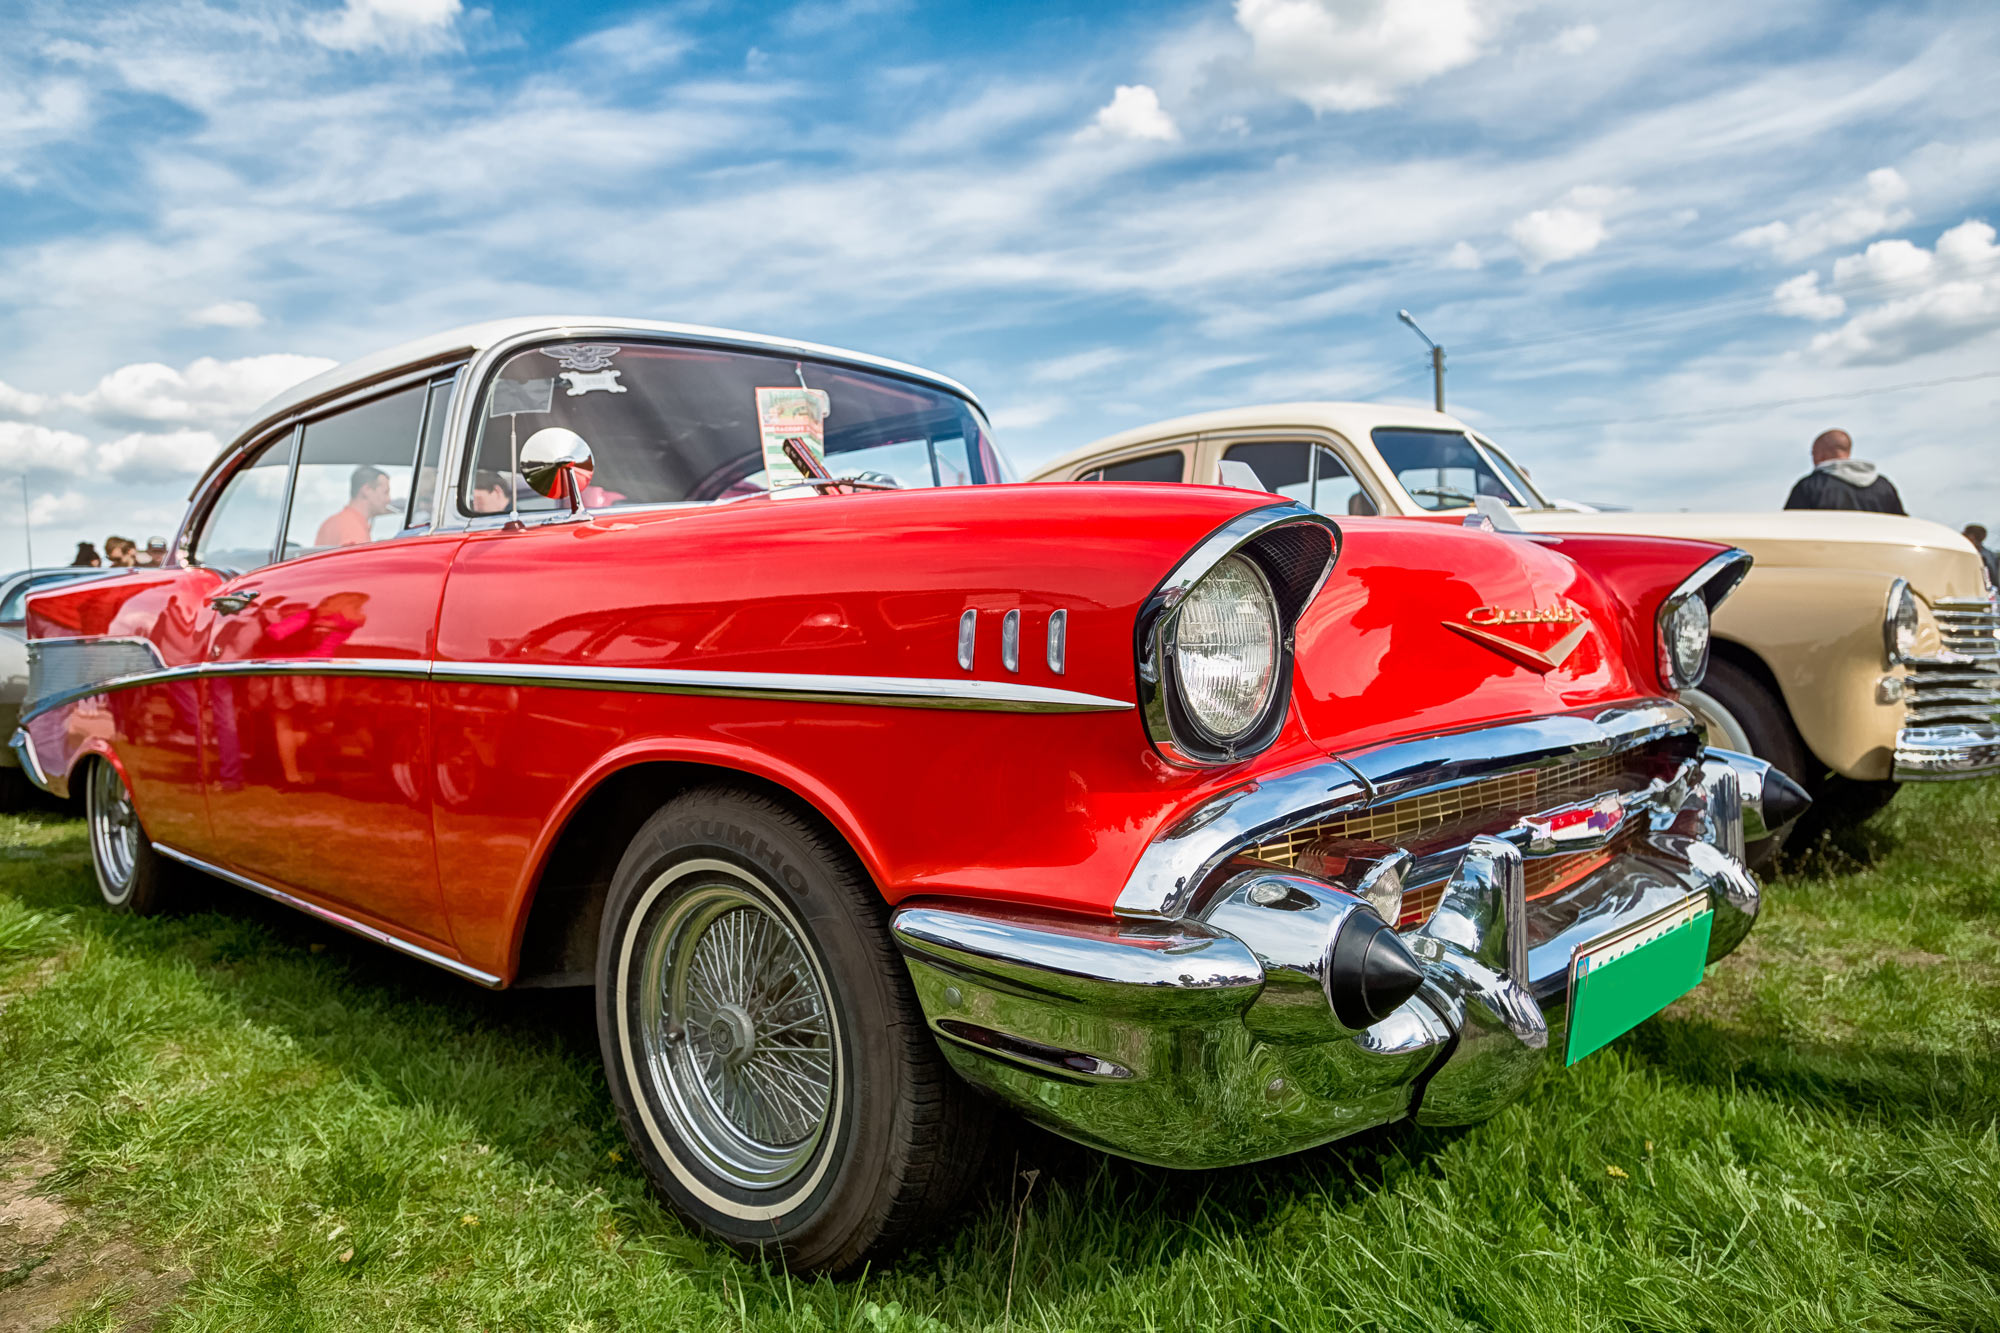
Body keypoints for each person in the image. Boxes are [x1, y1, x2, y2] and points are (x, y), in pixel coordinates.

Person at [1783, 429, 1905, 514]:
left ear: (1819, 454)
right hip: (1877, 551)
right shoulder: (1884, 487)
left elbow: (1790, 528)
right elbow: (1901, 525)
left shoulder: (1809, 487)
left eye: (1813, 454)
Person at [314, 465, 395, 548]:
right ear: (367, 490)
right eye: (385, 492)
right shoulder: (353, 529)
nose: (388, 499)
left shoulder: (332, 522)